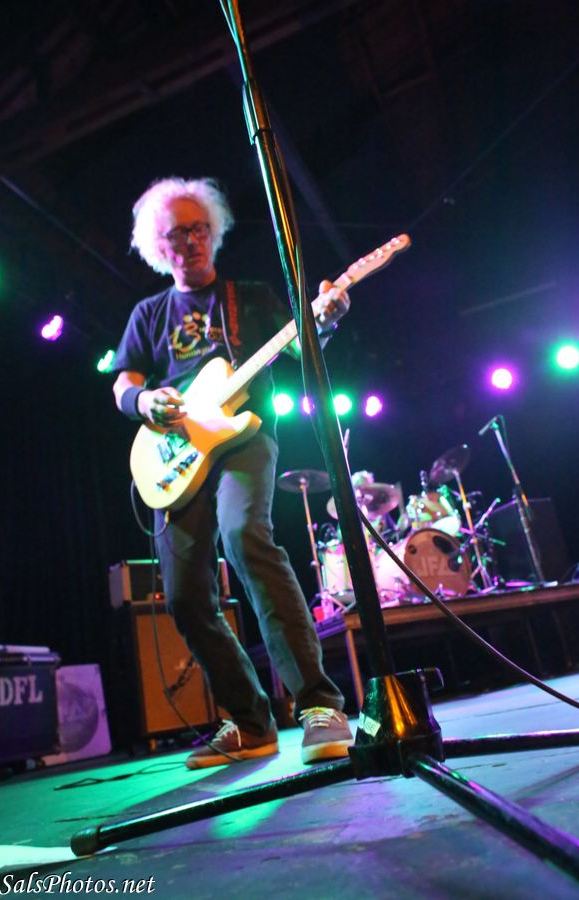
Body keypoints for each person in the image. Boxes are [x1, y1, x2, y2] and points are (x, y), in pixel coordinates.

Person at [112, 176, 353, 769]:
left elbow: (301, 344)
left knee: (246, 535)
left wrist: (323, 320)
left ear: (214, 233)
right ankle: (249, 722)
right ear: (158, 245)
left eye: (199, 229)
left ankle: (319, 705)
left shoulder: (251, 298)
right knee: (185, 595)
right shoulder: (149, 314)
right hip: (176, 456)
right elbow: (124, 383)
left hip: (245, 438)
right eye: (177, 233)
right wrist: (145, 402)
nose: (190, 241)